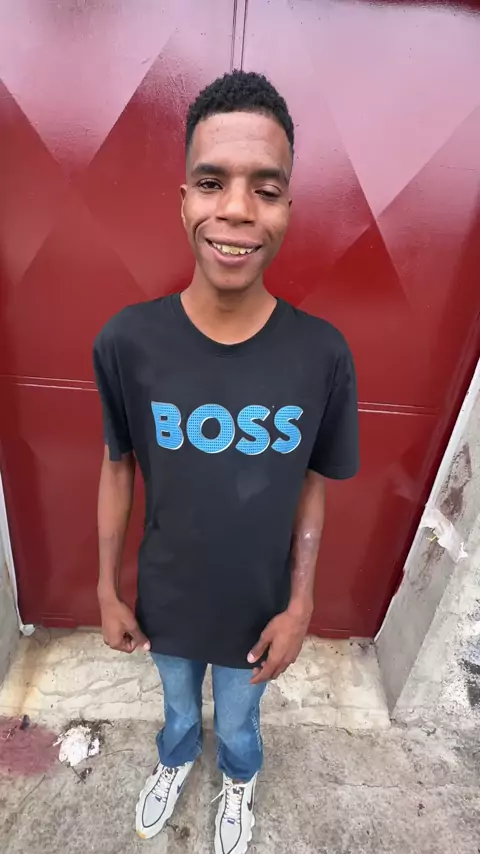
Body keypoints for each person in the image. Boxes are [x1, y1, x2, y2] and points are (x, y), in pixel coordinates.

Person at [93, 69, 359, 854]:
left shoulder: (321, 355)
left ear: (287, 207)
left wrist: (302, 604)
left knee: (241, 719)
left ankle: (240, 777)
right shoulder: (127, 342)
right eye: (212, 183)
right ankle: (176, 759)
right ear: (184, 200)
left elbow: (312, 485)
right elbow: (117, 466)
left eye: (265, 189)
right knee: (178, 709)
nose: (237, 209)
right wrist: (106, 588)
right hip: (167, 603)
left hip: (257, 611)